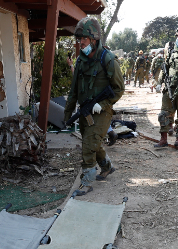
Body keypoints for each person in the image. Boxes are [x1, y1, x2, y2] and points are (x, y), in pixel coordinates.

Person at [63, 17, 124, 194]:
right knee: (93, 142)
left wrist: (103, 103)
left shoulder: (108, 59)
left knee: (89, 145)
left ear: (94, 39)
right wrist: (67, 114)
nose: (80, 42)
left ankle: (87, 182)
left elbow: (119, 89)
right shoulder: (81, 61)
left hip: (102, 111)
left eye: (84, 38)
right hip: (86, 110)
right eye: (79, 39)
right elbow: (73, 90)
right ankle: (107, 167)